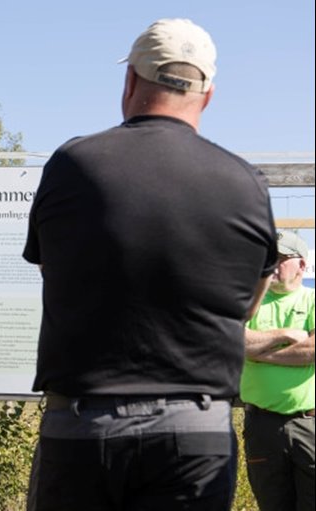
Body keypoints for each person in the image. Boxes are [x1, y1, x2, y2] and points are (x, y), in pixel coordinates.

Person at [22, 19, 278, 511]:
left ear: (131, 82)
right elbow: (246, 304)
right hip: (195, 431)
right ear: (207, 96)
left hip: (83, 424)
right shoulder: (245, 183)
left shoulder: (74, 164)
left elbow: (53, 273)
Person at [241, 230, 314, 511]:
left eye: (281, 258)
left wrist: (261, 353)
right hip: (262, 426)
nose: (272, 266)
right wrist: (284, 333)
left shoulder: (312, 300)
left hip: (309, 425)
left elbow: (312, 351)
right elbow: (234, 342)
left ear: (302, 266)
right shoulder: (250, 302)